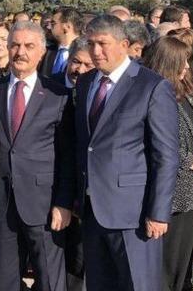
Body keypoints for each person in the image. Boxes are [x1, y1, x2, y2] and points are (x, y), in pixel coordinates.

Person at [71, 15, 179, 291]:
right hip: (92, 209)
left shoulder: (151, 86)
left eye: (103, 44)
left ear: (125, 44)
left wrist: (158, 212)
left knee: (137, 284)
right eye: (91, 44)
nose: (96, 52)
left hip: (134, 213)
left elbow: (165, 155)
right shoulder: (85, 84)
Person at [0, 21, 74, 291]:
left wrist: (64, 202)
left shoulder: (59, 96)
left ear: (42, 52)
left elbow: (67, 155)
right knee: (5, 279)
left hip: (44, 204)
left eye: (28, 46)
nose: (20, 52)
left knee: (49, 279)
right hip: (1, 202)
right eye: (15, 45)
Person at [143, 37, 193, 291]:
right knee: (168, 264)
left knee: (186, 262)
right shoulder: (155, 95)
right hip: (175, 195)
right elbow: (161, 146)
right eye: (182, 61)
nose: (187, 66)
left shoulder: (184, 92)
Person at [41, 7, 81, 77]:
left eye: (53, 23)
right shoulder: (47, 51)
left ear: (67, 27)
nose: (49, 27)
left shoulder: (84, 52)